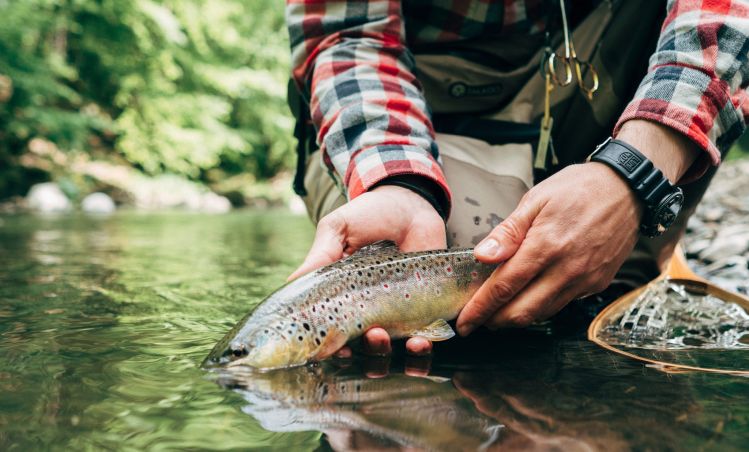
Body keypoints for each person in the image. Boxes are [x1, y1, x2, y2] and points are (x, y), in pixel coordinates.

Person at [284, 0, 749, 356]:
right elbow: (347, 36)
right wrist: (399, 184)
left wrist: (636, 174)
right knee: (447, 332)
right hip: (414, 121)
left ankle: (625, 243)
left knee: (600, 319)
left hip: (619, 109)